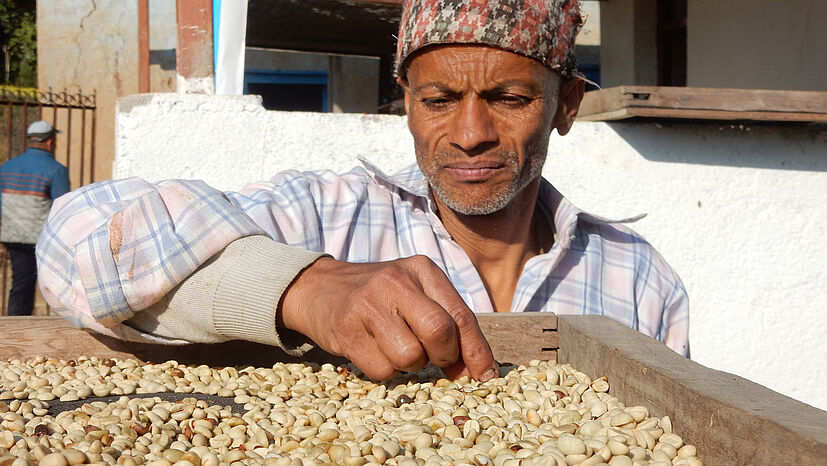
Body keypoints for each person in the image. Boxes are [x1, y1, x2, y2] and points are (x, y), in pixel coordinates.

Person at [36, 0, 688, 381]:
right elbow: (76, 239)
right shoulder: (325, 220)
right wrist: (303, 286)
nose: (468, 134)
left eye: (509, 99)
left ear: (565, 105)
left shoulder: (639, 280)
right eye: (437, 100)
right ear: (403, 101)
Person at [1, 120, 70, 316]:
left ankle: (16, 326)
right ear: (50, 142)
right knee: (58, 282)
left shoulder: (6, 167)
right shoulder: (56, 170)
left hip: (13, 236)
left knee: (21, 283)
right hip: (41, 239)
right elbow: (61, 207)